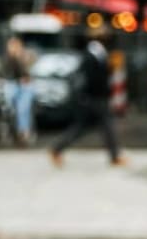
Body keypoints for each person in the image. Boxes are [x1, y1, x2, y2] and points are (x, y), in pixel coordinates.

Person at [49, 35, 123, 167]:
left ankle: (57, 149)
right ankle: (114, 157)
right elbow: (93, 79)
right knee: (106, 126)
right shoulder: (90, 57)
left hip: (93, 99)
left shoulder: (98, 55)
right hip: (94, 98)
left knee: (83, 128)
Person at [0, 37, 35, 145]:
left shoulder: (25, 57)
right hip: (10, 85)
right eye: (12, 46)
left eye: (16, 46)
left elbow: (27, 74)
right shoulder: (6, 59)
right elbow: (3, 74)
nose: (14, 48)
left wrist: (21, 58)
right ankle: (7, 128)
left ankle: (23, 132)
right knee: (6, 103)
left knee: (23, 108)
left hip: (24, 88)